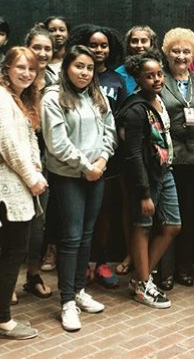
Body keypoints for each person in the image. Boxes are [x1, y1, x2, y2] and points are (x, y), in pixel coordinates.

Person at [0, 47, 47, 340]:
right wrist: (32, 178)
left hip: (16, 187)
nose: (27, 73)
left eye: (31, 69)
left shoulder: (13, 98)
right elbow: (7, 144)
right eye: (20, 67)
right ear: (7, 68)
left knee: (12, 251)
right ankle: (2, 321)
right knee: (13, 252)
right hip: (8, 187)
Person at [42, 45, 118, 330]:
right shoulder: (53, 97)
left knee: (87, 235)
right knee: (71, 237)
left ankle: (79, 291)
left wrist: (102, 159)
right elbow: (57, 143)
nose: (84, 72)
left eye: (88, 67)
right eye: (78, 66)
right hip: (69, 177)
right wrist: (87, 167)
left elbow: (110, 129)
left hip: (96, 174)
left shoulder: (97, 95)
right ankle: (67, 302)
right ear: (66, 68)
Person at [117, 50, 181, 308]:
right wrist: (144, 193)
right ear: (137, 79)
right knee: (142, 226)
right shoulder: (135, 108)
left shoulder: (159, 100)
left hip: (164, 172)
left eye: (159, 74)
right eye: (149, 76)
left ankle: (140, 278)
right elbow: (132, 154)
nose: (156, 79)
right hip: (145, 179)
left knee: (173, 225)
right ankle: (143, 285)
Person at [67, 24, 126, 289]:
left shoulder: (116, 80)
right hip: (74, 161)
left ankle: (100, 262)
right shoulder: (71, 82)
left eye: (104, 45)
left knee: (103, 216)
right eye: (93, 45)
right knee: (75, 220)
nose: (99, 50)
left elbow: (118, 122)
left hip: (107, 161)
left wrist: (106, 156)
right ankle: (77, 267)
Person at [156, 28, 194, 289]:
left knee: (189, 214)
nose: (181, 55)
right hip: (168, 157)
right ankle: (164, 271)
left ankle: (184, 268)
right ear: (167, 52)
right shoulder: (159, 79)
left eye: (186, 51)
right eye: (176, 50)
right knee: (168, 216)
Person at [22, 26, 56, 299]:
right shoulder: (18, 78)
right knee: (14, 222)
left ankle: (32, 274)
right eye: (37, 47)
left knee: (39, 222)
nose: (42, 53)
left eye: (47, 48)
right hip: (20, 159)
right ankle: (7, 281)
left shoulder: (58, 79)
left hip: (49, 159)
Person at [115, 25, 158, 95]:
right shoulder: (119, 74)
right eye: (134, 41)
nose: (139, 45)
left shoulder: (161, 71)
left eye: (144, 41)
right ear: (128, 45)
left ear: (152, 44)